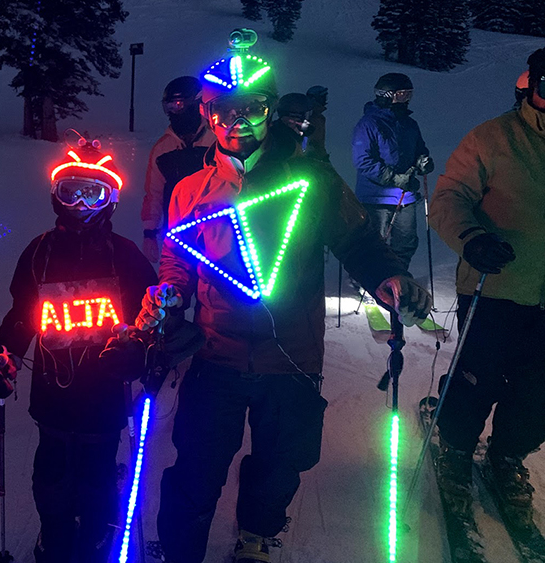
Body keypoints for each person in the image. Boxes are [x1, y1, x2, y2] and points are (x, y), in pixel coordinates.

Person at [135, 29, 431, 563]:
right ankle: (181, 549)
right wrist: (167, 296)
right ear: (207, 111)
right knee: (197, 463)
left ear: (268, 110)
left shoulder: (310, 178)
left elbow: (356, 239)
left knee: (280, 462)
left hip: (291, 355)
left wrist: (389, 277)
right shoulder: (189, 190)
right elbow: (178, 260)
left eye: (250, 107)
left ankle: (255, 537)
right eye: (222, 108)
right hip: (213, 352)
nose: (235, 120)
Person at [0, 137, 157, 563]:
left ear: (110, 198)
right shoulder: (40, 252)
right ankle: (55, 532)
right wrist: (2, 356)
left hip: (104, 388)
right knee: (54, 470)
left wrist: (142, 354)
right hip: (52, 387)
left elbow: (151, 319)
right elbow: (22, 314)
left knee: (97, 469)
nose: (80, 202)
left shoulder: (125, 257)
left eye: (92, 192)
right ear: (56, 195)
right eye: (70, 190)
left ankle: (96, 531)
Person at [427, 48, 545, 531]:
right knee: (479, 378)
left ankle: (509, 455)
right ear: (532, 86)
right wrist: (472, 238)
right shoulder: (494, 137)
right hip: (495, 287)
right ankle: (456, 448)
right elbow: (449, 198)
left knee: (537, 390)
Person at [351, 73, 434, 270]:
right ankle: (371, 281)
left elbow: (419, 148)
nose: (406, 100)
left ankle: (398, 276)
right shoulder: (369, 124)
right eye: (402, 95)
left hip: (405, 196)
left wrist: (423, 161)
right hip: (376, 197)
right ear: (387, 95)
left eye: (409, 95)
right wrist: (394, 179)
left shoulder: (409, 124)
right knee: (375, 243)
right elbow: (363, 161)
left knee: (406, 243)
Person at [141, 76, 216, 263]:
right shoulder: (163, 148)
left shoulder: (216, 140)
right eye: (170, 107)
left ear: (196, 103)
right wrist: (150, 233)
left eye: (179, 105)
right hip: (177, 233)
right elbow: (153, 193)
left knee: (211, 287)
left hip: (214, 233)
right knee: (175, 286)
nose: (174, 112)